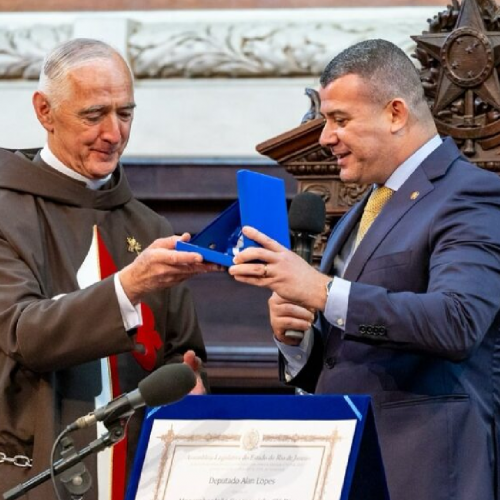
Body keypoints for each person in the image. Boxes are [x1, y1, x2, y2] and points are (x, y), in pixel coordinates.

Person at [229, 39, 500, 500]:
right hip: (346, 465)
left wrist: (322, 291)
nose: (324, 137)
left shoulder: (470, 194)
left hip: (427, 474)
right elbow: (347, 352)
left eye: (340, 119)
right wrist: (297, 340)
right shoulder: (367, 206)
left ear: (395, 113)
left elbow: (456, 323)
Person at [0, 38, 220, 500]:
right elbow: (23, 333)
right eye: (94, 114)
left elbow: (180, 356)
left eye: (125, 113)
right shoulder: (6, 213)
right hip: (32, 473)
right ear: (44, 111)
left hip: (141, 473)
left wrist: (191, 379)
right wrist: (129, 285)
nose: (114, 133)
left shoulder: (149, 226)